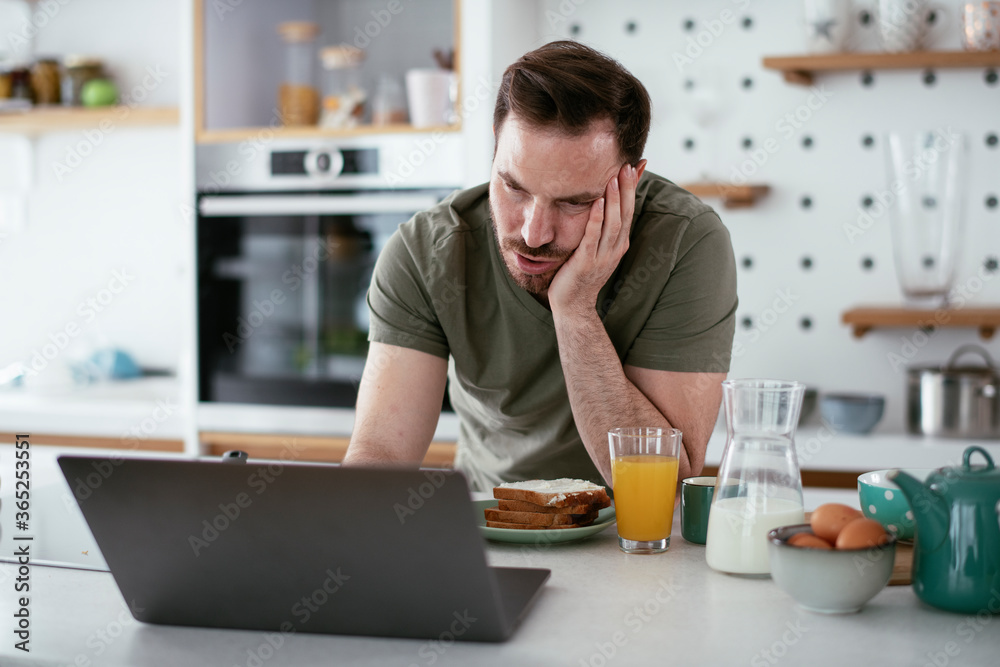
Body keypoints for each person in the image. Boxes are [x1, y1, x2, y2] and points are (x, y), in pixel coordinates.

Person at [343, 40, 737, 492]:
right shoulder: (425, 250)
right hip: (492, 528)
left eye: (574, 202)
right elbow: (382, 456)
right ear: (494, 151)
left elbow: (661, 486)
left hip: (633, 540)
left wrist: (575, 310)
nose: (533, 233)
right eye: (514, 188)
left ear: (630, 181)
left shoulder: (686, 241)